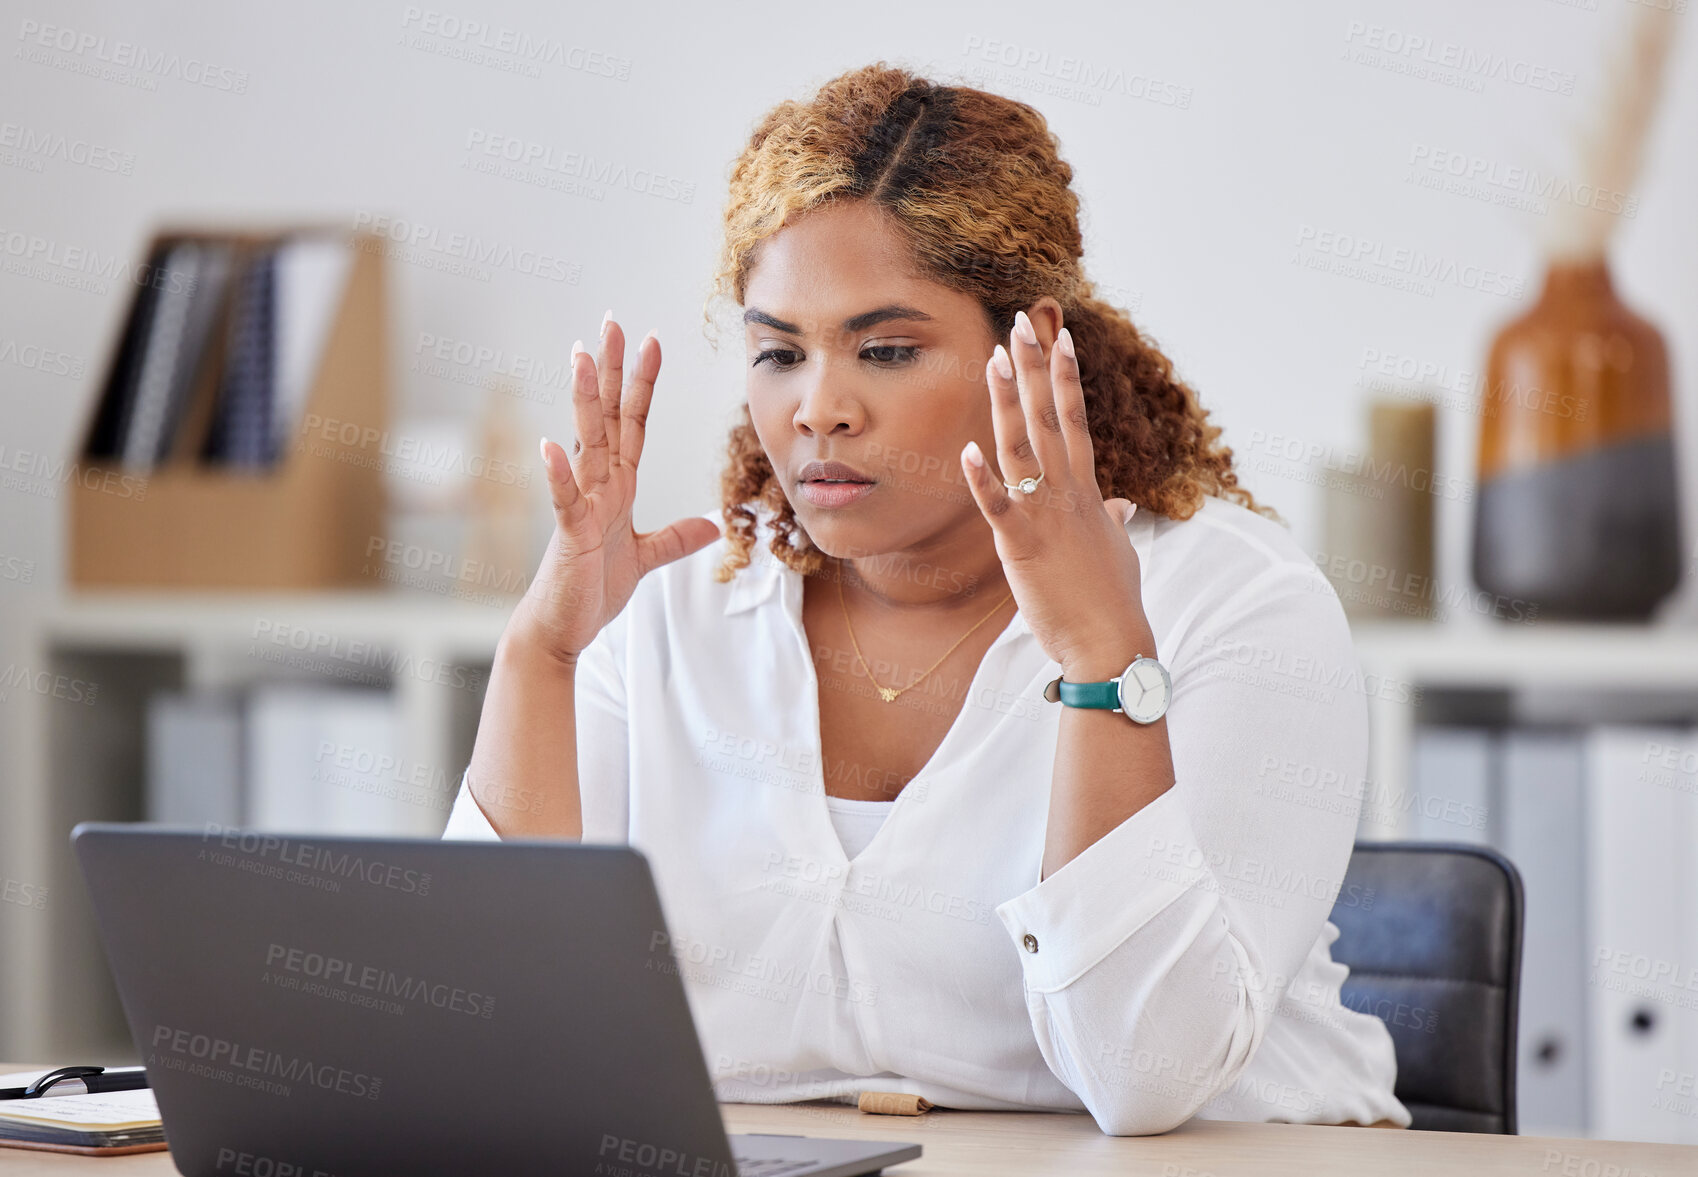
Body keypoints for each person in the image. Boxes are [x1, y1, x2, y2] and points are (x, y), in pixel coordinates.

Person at [442, 62, 1411, 1135]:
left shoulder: (1234, 605)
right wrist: (543, 653)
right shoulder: (673, 607)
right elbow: (490, 1036)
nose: (820, 409)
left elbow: (1143, 1078)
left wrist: (1102, 658)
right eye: (778, 352)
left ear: (1029, 348)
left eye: (887, 349)